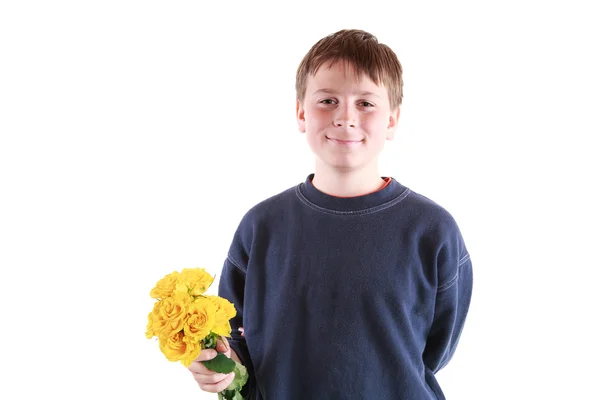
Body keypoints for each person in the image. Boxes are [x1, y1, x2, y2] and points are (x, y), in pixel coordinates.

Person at [188, 28, 473, 399]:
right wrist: (219, 366)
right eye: (327, 101)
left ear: (391, 120)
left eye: (366, 104)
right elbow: (234, 337)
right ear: (300, 112)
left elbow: (436, 348)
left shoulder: (432, 231)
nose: (345, 117)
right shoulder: (261, 228)